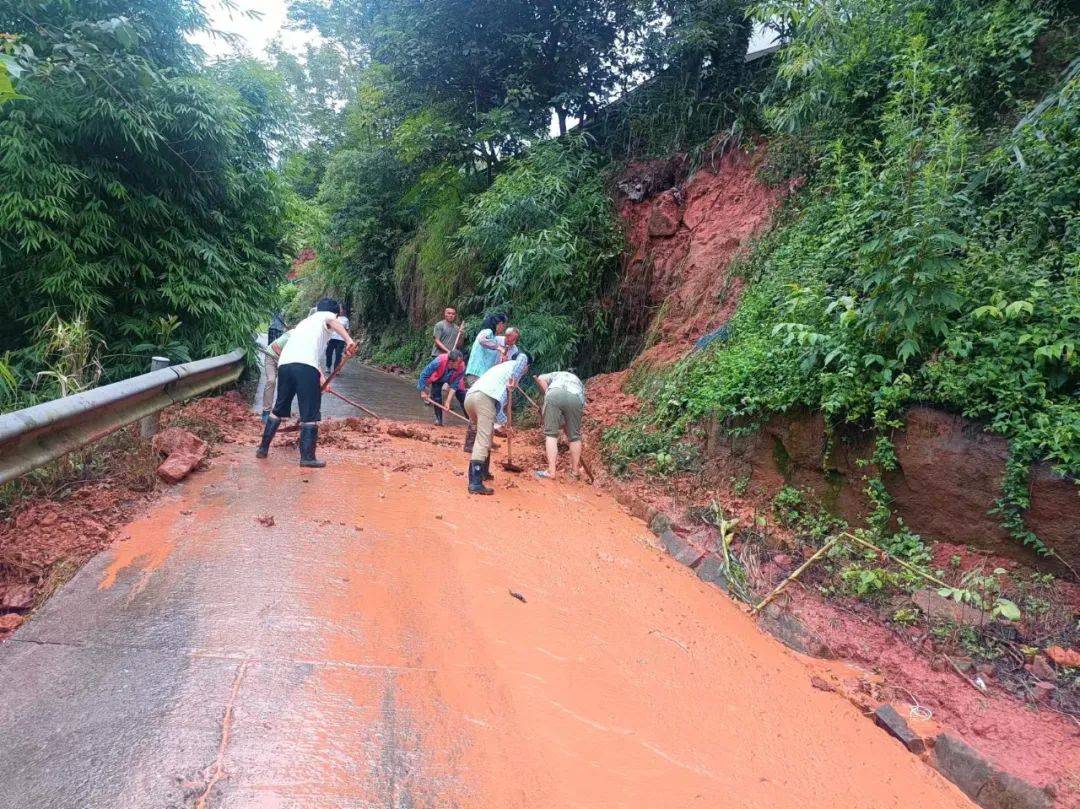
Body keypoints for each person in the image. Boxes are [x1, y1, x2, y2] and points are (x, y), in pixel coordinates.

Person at [256, 298, 356, 468]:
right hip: (304, 366)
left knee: (279, 408)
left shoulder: (305, 323)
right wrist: (349, 340)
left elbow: (310, 357)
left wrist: (322, 379)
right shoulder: (327, 317)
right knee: (310, 413)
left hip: (286, 365)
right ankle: (307, 458)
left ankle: (262, 449)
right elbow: (331, 322)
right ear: (335, 313)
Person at [463, 353, 530, 495]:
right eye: (526, 368)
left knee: (486, 435)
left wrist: (504, 422)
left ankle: (483, 472)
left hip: (470, 398)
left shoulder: (502, 368)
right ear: (526, 367)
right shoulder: (516, 367)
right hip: (484, 398)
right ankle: (475, 483)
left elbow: (498, 408)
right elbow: (523, 358)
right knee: (483, 439)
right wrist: (518, 372)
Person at [533, 371, 585, 479]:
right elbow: (580, 403)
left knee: (551, 434)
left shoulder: (552, 375)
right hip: (575, 397)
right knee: (575, 436)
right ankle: (575, 472)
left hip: (554, 394)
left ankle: (551, 472)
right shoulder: (578, 382)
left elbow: (540, 379)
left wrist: (547, 394)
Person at [417, 350, 466, 425]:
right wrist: (422, 391)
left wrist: (448, 402)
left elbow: (454, 386)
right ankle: (439, 420)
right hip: (438, 377)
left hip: (452, 378)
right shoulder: (438, 361)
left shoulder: (461, 367)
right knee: (436, 397)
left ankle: (471, 422)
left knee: (462, 396)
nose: (460, 364)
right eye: (458, 363)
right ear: (451, 362)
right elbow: (424, 375)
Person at [464, 314, 510, 386]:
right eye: (504, 325)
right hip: (477, 374)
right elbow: (481, 339)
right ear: (500, 324)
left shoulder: (493, 339)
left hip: (483, 376)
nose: (504, 328)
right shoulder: (487, 331)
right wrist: (499, 347)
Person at [260, 330, 290, 423]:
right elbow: (275, 346)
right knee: (271, 380)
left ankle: (280, 411)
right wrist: (284, 358)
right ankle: (266, 411)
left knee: (286, 384)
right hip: (272, 356)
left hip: (284, 361)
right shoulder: (290, 335)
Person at [325, 305, 351, 373]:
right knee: (328, 353)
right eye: (339, 309)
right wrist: (327, 338)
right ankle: (328, 366)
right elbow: (328, 328)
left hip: (341, 340)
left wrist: (347, 340)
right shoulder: (333, 317)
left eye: (341, 309)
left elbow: (347, 330)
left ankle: (336, 370)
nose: (340, 310)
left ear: (344, 310)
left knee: (338, 354)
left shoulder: (346, 319)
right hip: (332, 338)